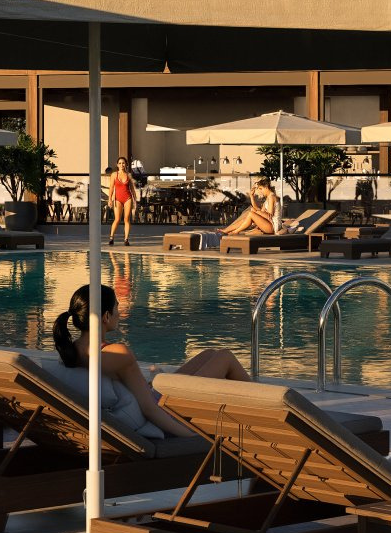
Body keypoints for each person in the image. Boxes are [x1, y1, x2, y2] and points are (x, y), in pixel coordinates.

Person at [52, 283, 254, 438]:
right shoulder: (118, 354)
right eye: (117, 307)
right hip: (167, 411)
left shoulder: (73, 350)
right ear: (105, 316)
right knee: (225, 357)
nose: (119, 313)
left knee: (210, 354)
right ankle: (261, 413)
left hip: (153, 396)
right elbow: (149, 409)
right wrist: (192, 436)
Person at [102, 157, 136, 245]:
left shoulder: (128, 175)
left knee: (126, 219)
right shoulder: (114, 174)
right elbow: (111, 187)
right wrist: (110, 199)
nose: (122, 165)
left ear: (126, 164)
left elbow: (132, 189)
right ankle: (111, 237)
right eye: (120, 163)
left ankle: (126, 239)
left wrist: (135, 201)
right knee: (117, 219)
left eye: (123, 163)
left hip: (128, 198)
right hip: (118, 199)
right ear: (117, 165)